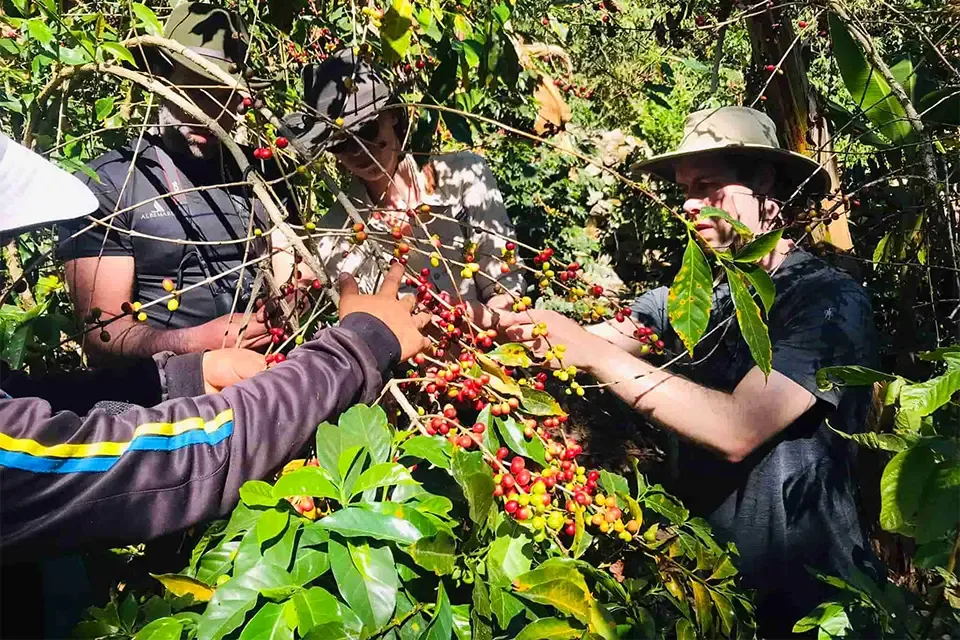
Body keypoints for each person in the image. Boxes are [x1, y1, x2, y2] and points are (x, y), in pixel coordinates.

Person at [499, 107, 880, 635]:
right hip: (711, 590)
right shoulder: (686, 300)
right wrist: (490, 321)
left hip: (812, 603)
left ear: (766, 186)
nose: (689, 204)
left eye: (708, 186)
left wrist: (593, 352)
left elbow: (738, 428)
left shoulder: (827, 301)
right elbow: (597, 337)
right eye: (684, 189)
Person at [0, 133, 430, 558]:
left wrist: (185, 376)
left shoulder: (254, 172)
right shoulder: (118, 178)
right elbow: (165, 461)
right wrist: (358, 346)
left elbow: (36, 406)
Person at [56, 2, 292, 363]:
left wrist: (291, 301)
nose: (210, 113)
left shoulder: (263, 173)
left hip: (271, 379)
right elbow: (102, 335)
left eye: (225, 96)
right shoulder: (111, 183)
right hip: (167, 404)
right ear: (164, 83)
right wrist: (197, 342)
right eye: (197, 92)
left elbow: (296, 271)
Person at [281, 49, 525, 307]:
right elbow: (307, 304)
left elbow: (504, 283)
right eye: (340, 144)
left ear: (393, 114)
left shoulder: (464, 175)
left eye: (367, 130)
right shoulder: (335, 233)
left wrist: (486, 325)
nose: (359, 150)